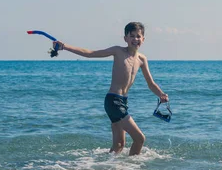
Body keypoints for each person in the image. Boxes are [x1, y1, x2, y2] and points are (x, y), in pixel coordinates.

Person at [54, 22, 169, 156]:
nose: (135, 39)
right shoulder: (118, 51)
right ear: (125, 38)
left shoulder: (142, 59)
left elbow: (151, 83)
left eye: (138, 36)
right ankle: (132, 168)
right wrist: (65, 46)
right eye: (131, 36)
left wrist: (161, 94)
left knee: (119, 145)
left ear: (143, 39)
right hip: (113, 101)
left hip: (123, 102)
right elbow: (90, 53)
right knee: (139, 138)